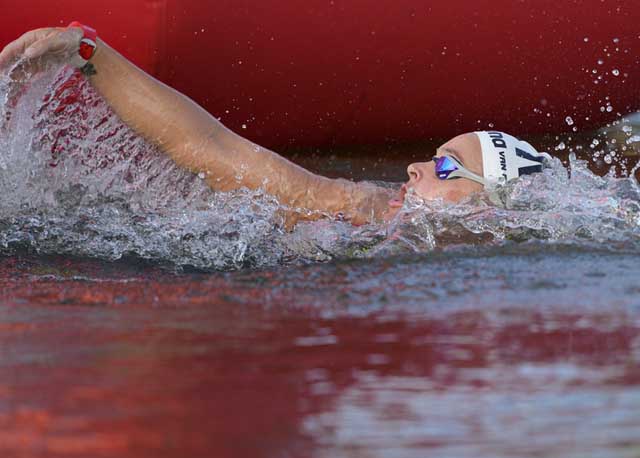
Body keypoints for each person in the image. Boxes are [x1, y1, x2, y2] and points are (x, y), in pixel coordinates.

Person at [0, 23, 551, 227]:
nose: (415, 166)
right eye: (433, 155)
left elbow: (212, 151)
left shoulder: (388, 228)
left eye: (446, 166)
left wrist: (92, 54)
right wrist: (90, 51)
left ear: (482, 207)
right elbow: (212, 147)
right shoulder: (366, 208)